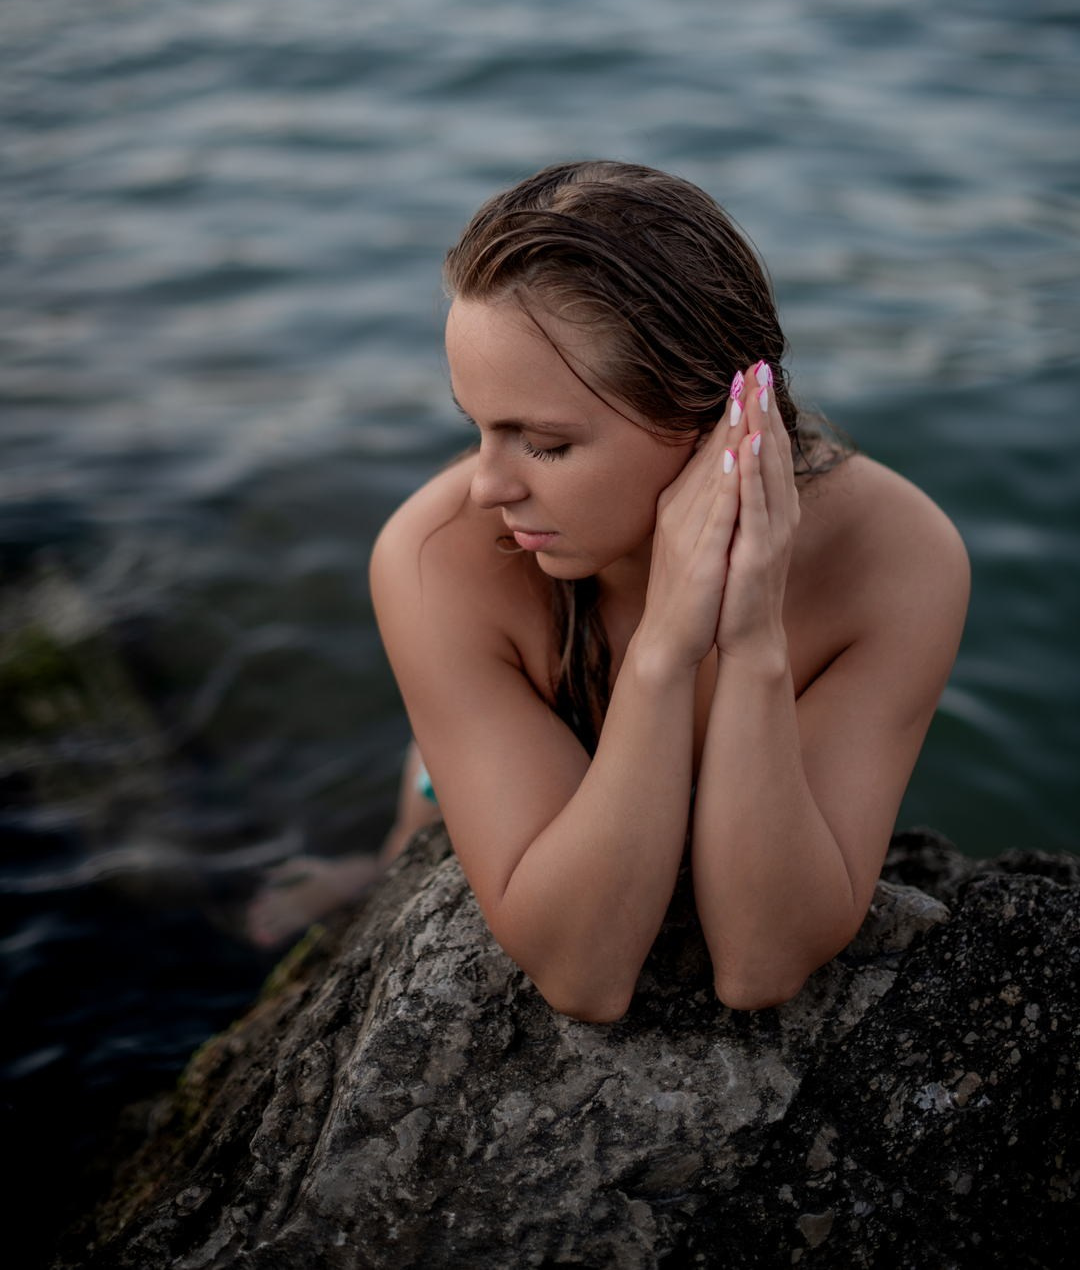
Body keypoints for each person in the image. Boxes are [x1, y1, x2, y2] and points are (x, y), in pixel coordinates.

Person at [248, 161, 969, 1019]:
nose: (485, 488)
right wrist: (665, 646)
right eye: (476, 427)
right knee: (422, 828)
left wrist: (752, 645)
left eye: (543, 444)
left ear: (715, 423)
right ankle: (377, 863)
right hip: (476, 764)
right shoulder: (435, 554)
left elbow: (761, 964)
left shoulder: (900, 558)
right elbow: (583, 974)